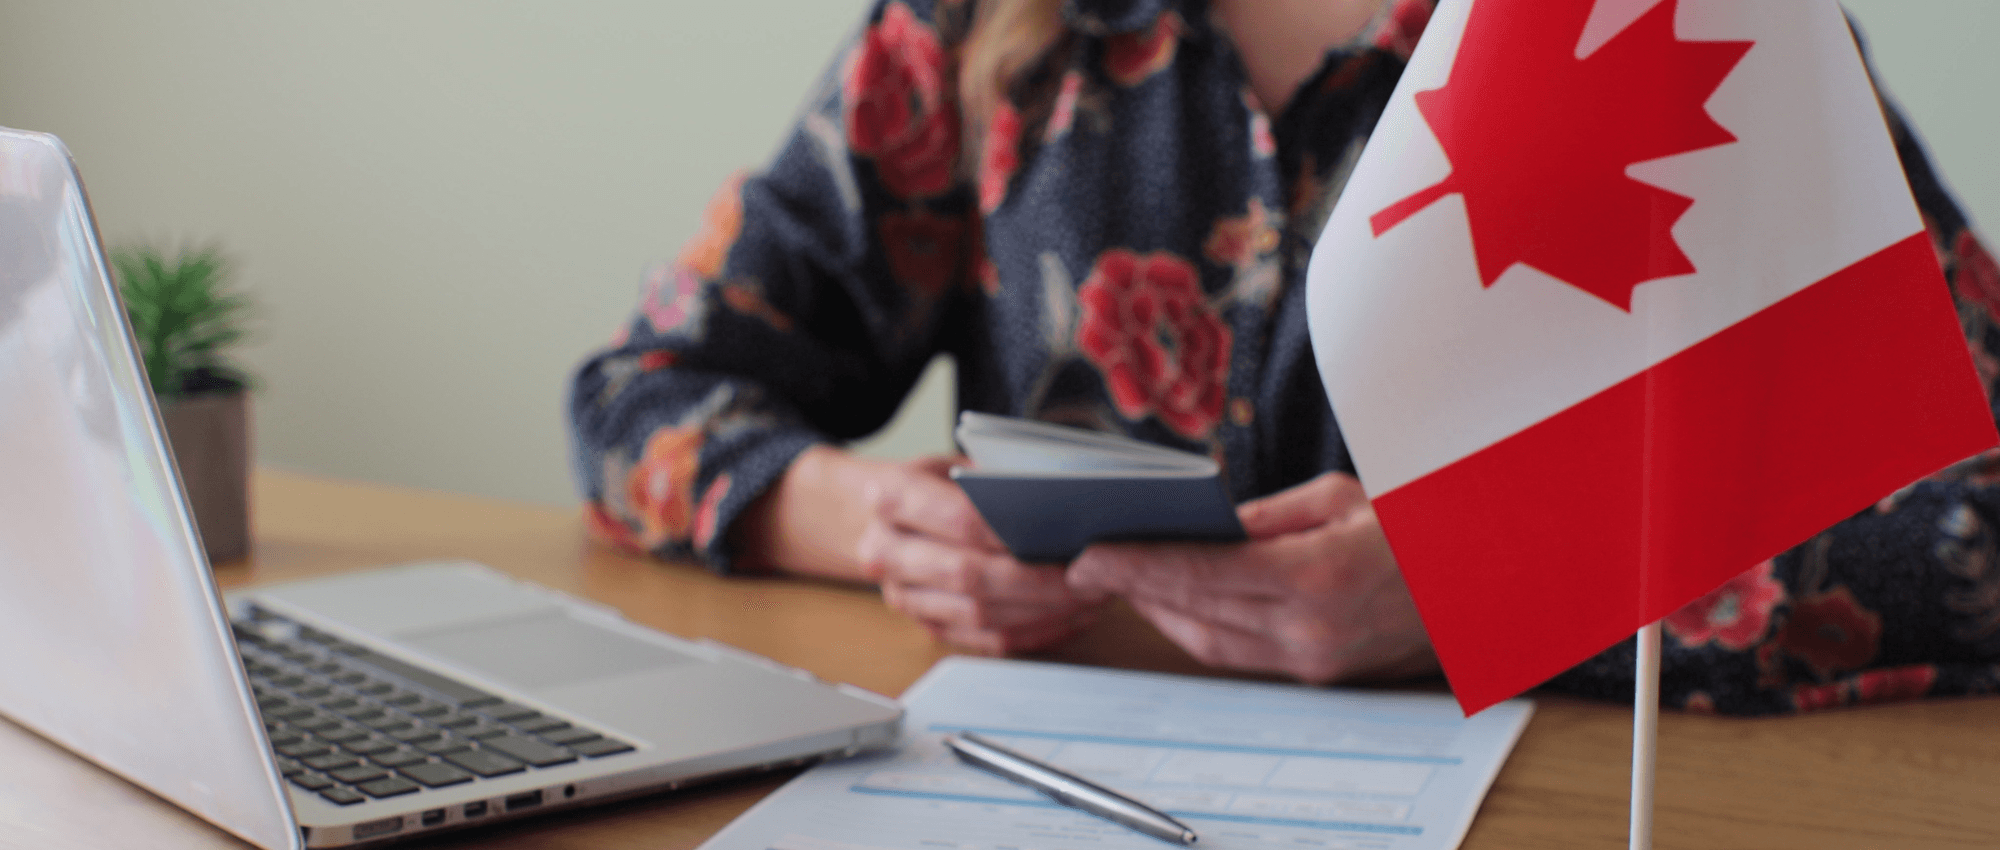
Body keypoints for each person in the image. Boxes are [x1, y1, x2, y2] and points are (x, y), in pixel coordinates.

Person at [568, 0, 2000, 714]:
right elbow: (644, 394)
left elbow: (1979, 503)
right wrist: (882, 524)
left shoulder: (1675, 29)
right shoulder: (971, 30)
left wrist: (1471, 582)